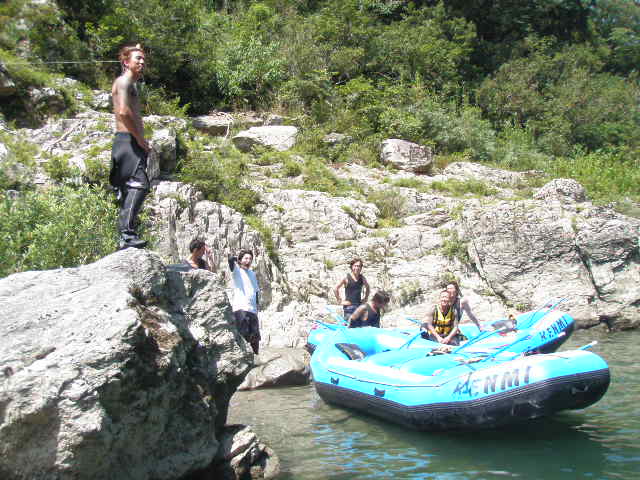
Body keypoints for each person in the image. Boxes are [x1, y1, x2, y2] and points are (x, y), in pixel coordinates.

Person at [109, 43, 150, 250]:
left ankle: (128, 234)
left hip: (129, 141)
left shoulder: (131, 84)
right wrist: (139, 139)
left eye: (143, 59)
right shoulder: (123, 82)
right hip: (127, 140)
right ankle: (126, 235)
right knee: (139, 185)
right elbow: (123, 112)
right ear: (126, 62)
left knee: (132, 188)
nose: (142, 62)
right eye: (137, 58)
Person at [228, 249, 261, 354]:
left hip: (253, 311)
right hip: (240, 309)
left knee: (255, 339)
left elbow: (256, 291)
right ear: (240, 260)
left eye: (250, 259)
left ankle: (256, 358)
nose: (248, 261)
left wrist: (256, 307)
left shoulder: (252, 274)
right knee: (243, 336)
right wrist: (234, 259)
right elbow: (230, 261)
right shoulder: (237, 271)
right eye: (246, 258)